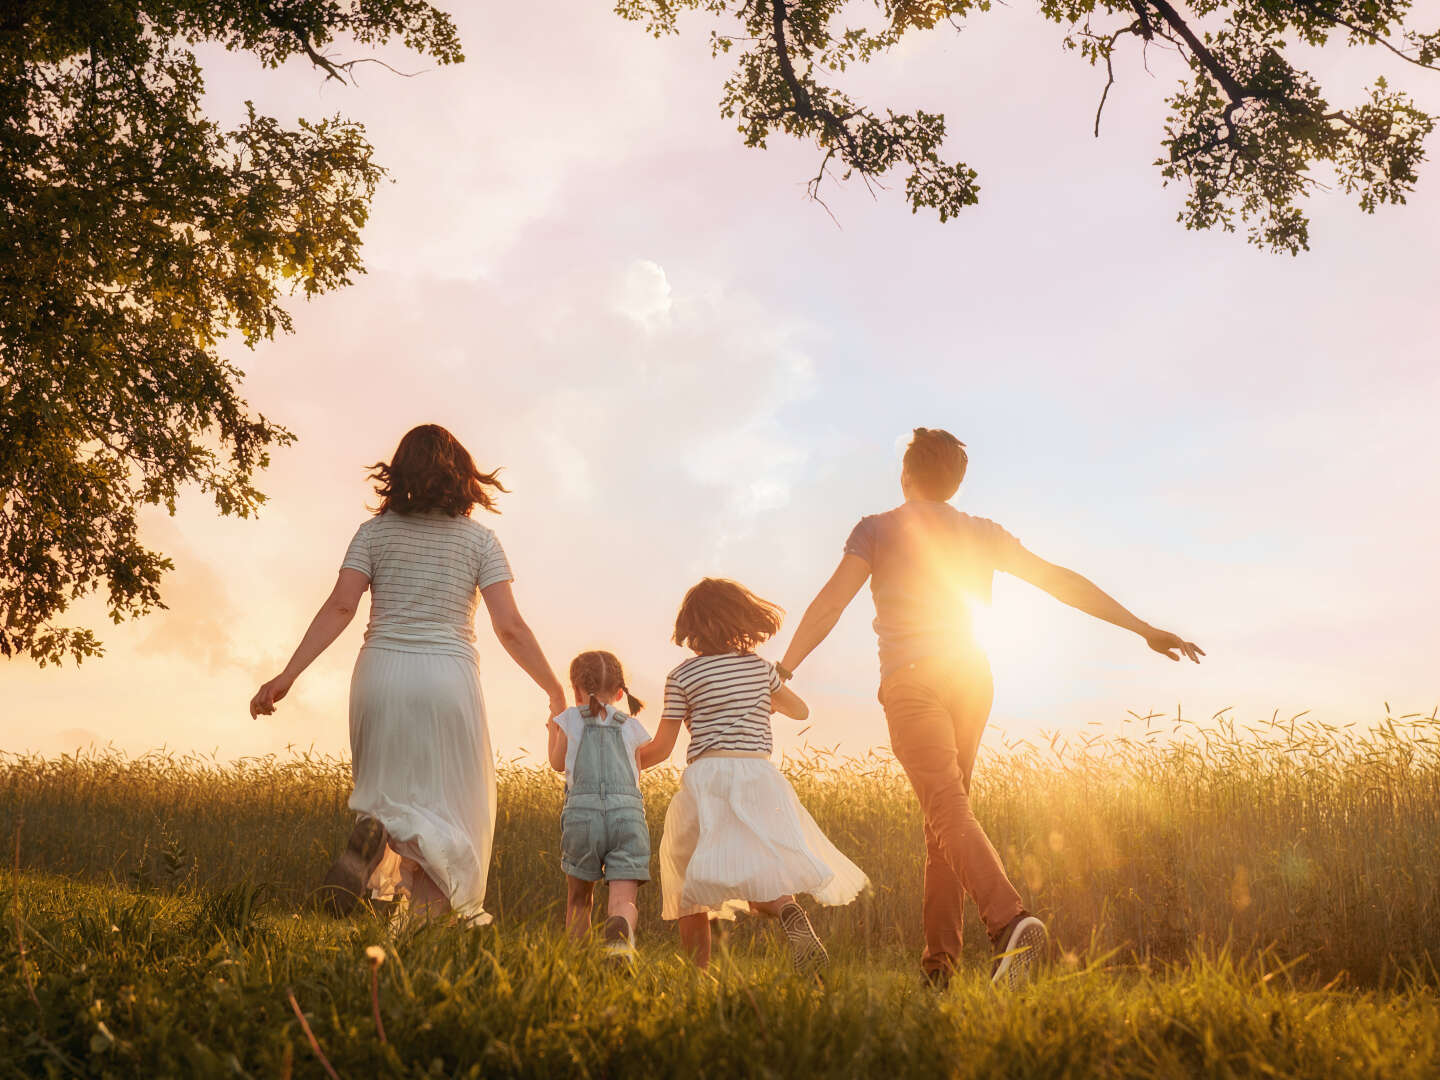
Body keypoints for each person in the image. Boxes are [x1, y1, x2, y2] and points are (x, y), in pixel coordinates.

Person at [777, 428, 1203, 988]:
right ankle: (938, 972)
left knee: (946, 811)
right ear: (957, 483)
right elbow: (1059, 583)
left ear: (905, 477)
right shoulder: (983, 533)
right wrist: (1142, 628)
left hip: (912, 682)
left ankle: (1009, 923)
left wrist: (782, 669)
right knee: (946, 823)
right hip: (972, 678)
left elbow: (833, 601)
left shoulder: (876, 529)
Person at [249, 424, 567, 925]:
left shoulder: (373, 533)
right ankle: (425, 937)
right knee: (449, 812)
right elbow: (510, 628)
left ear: (399, 474)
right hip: (447, 677)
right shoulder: (480, 541)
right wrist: (552, 686)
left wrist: (286, 676)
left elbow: (339, 606)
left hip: (381, 674)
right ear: (462, 477)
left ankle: (372, 840)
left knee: (390, 798)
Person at [642, 578, 869, 972]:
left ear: (691, 626)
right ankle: (787, 911)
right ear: (741, 622)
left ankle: (698, 974)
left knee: (686, 873)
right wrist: (766, 696)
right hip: (759, 776)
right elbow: (800, 711)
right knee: (762, 871)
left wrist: (621, 764)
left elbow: (661, 748)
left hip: (707, 779)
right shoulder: (759, 669)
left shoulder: (682, 677)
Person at [546, 650, 653, 958]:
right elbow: (636, 776)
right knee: (623, 898)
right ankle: (619, 932)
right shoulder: (632, 726)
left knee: (579, 899)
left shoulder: (568, 719)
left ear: (576, 690)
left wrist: (552, 729)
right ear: (620, 692)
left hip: (583, 817)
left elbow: (556, 762)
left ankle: (578, 962)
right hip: (627, 816)